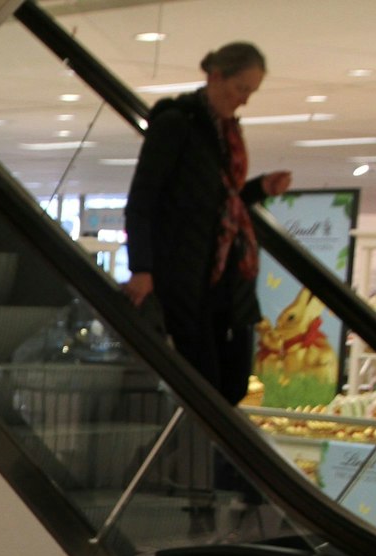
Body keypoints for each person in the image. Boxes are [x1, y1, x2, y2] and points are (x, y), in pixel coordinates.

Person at [123, 41, 293, 405]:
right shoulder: (176, 123)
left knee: (231, 386)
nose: (245, 100)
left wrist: (260, 188)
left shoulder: (227, 135)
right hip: (184, 277)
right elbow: (142, 200)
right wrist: (142, 268)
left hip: (226, 280)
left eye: (251, 92)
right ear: (216, 77)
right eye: (241, 88)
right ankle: (193, 459)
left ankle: (204, 457)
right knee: (204, 387)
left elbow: (220, 203)